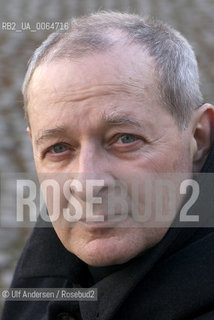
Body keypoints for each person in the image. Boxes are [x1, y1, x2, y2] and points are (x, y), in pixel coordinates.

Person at [2, 11, 214, 320]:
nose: (87, 182)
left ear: (198, 137)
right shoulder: (43, 271)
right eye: (59, 148)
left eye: (125, 139)